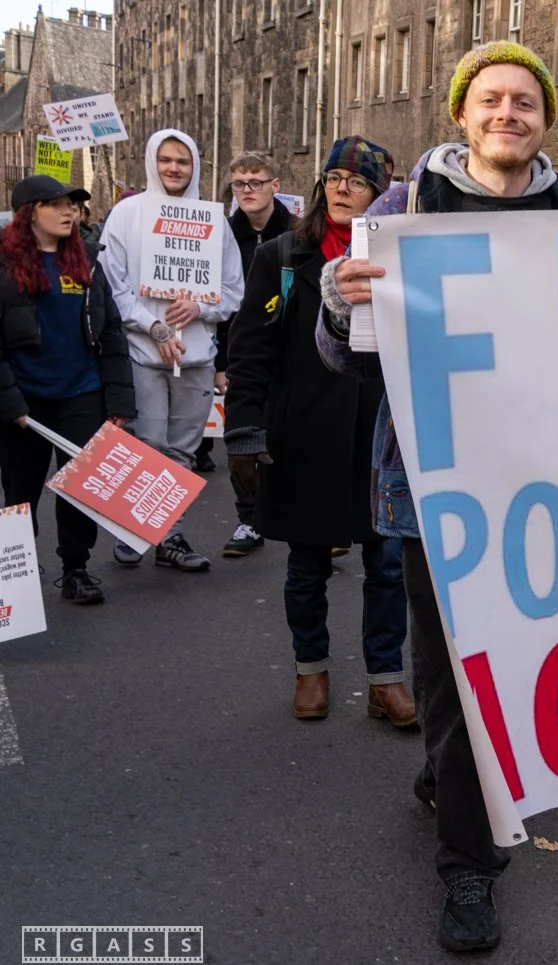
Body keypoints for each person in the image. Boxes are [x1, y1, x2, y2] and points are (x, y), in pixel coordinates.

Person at [316, 41, 558, 953]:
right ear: (463, 114)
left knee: (523, 656)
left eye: (525, 101)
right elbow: (345, 355)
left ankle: (446, 773)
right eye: (492, 99)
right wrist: (337, 298)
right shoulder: (402, 209)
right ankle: (469, 864)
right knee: (457, 669)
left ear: (544, 119)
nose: (508, 113)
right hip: (436, 494)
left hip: (554, 488)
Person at [223, 136, 416, 733]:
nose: (341, 189)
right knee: (306, 564)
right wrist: (244, 429)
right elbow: (250, 349)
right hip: (303, 429)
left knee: (387, 563)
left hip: (379, 431)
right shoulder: (282, 255)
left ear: (378, 194)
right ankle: (311, 670)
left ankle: (385, 679)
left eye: (356, 182)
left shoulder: (403, 256)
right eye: (334, 178)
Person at [99, 129, 244, 572]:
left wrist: (199, 306)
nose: (174, 168)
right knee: (147, 445)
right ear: (151, 162)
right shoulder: (127, 215)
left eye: (183, 160)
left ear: (195, 164)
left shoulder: (213, 222)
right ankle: (137, 530)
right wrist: (155, 327)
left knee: (181, 452)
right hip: (143, 354)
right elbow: (112, 286)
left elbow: (233, 290)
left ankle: (166, 534)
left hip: (196, 358)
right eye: (165, 159)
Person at [0, 176, 136, 604]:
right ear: (29, 214)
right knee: (19, 494)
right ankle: (17, 578)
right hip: (24, 399)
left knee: (82, 490)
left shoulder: (87, 261)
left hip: (82, 392)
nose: (69, 212)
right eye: (56, 204)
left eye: (72, 205)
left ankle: (75, 569)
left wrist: (119, 400)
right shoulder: (4, 265)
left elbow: (110, 332)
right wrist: (10, 402)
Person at [210, 152, 296, 557]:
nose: (247, 191)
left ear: (274, 185)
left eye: (255, 183)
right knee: (241, 438)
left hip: (290, 351)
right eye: (239, 184)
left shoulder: (297, 233)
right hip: (242, 351)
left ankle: (309, 517)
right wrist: (221, 362)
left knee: (295, 437)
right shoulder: (222, 236)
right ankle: (249, 519)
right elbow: (217, 301)